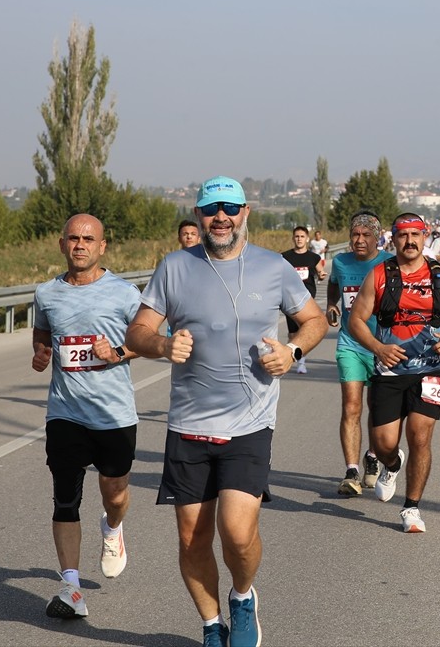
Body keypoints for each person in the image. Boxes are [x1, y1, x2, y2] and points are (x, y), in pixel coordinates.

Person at [125, 175, 328, 647]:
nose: (221, 217)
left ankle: (242, 597)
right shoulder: (175, 267)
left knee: (237, 532)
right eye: (211, 208)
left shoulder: (273, 267)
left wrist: (293, 351)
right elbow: (137, 332)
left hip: (249, 422)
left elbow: (314, 320)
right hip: (188, 424)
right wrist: (162, 345)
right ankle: (211, 623)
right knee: (192, 538)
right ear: (198, 215)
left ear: (245, 213)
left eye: (230, 208)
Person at [31, 214, 142, 620]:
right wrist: (41, 353)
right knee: (65, 498)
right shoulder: (46, 294)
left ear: (102, 246)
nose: (80, 245)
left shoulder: (124, 293)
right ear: (62, 244)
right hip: (65, 412)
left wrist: (117, 352)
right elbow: (43, 334)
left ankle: (112, 528)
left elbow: (147, 339)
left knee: (115, 492)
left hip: (113, 413)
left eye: (88, 239)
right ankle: (71, 588)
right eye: (73, 238)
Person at [347, 213, 440, 533]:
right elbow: (356, 320)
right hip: (389, 370)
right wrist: (378, 348)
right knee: (384, 444)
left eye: (416, 234)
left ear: (425, 236)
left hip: (430, 368)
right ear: (394, 238)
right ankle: (392, 464)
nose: (410, 241)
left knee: (420, 436)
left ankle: (411, 508)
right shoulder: (379, 274)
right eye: (403, 235)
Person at [325, 210, 392, 496]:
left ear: (377, 238)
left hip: (382, 346)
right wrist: (332, 305)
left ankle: (372, 457)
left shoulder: (389, 263)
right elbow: (333, 284)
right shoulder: (341, 262)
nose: (359, 240)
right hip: (350, 343)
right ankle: (351, 471)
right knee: (351, 406)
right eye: (355, 234)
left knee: (378, 408)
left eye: (366, 235)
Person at [281, 225, 326, 374]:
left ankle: (301, 363)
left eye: (302, 236)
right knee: (293, 334)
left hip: (307, 300)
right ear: (293, 238)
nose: (299, 239)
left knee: (304, 330)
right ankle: (290, 355)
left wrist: (321, 275)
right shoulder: (284, 257)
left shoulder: (314, 258)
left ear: (307, 239)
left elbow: (320, 272)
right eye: (297, 236)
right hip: (289, 299)